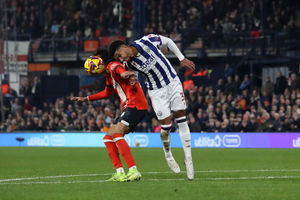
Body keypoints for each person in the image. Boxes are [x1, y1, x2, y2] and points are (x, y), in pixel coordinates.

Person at [109, 34, 195, 180]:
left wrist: (181, 58)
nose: (121, 60)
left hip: (173, 81)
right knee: (166, 127)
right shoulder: (128, 64)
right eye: (118, 59)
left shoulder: (146, 41)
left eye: (120, 56)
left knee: (182, 119)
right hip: (156, 91)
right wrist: (133, 79)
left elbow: (167, 41)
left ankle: (189, 159)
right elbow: (133, 76)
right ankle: (168, 153)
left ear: (124, 47)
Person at [71, 49, 148, 182]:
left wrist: (125, 74)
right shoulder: (108, 74)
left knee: (116, 133)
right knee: (108, 137)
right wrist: (86, 99)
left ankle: (134, 170)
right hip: (129, 106)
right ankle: (120, 172)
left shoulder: (113, 66)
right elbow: (107, 92)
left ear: (101, 60)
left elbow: (120, 70)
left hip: (135, 105)